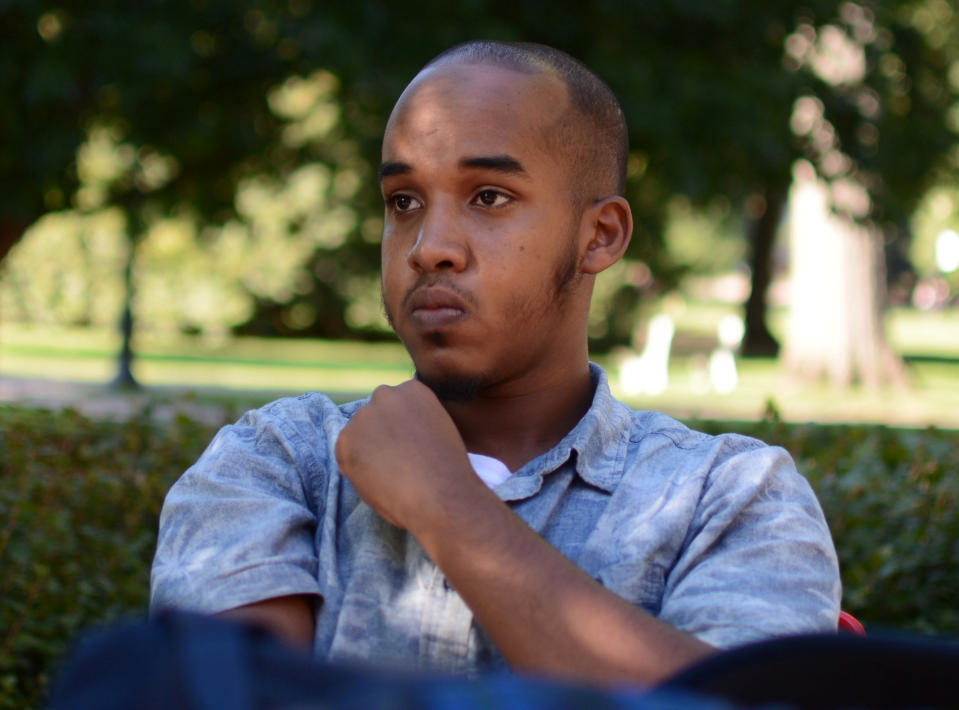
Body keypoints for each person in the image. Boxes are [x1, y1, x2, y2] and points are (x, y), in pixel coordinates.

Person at [151, 40, 841, 688]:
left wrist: (447, 506)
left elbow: (738, 705)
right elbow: (231, 697)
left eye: (488, 197)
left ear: (598, 236)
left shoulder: (730, 497)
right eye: (403, 201)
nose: (429, 246)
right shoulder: (278, 462)